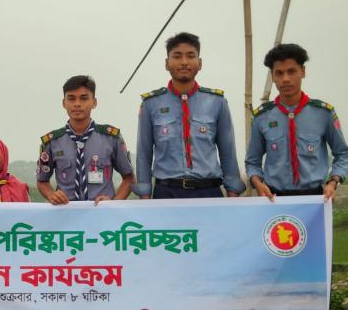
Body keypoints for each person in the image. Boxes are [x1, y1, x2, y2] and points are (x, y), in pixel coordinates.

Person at [135, 32, 245, 199]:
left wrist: (233, 192)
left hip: (209, 192)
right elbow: (144, 153)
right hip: (166, 193)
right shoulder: (151, 104)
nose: (184, 62)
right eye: (177, 56)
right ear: (167, 63)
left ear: (200, 63)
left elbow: (227, 151)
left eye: (190, 56)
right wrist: (144, 194)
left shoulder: (217, 102)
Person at [245, 43, 348, 201]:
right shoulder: (262, 117)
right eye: (279, 73)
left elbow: (342, 154)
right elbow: (252, 161)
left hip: (315, 200)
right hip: (274, 200)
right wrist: (257, 182)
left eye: (291, 71)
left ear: (303, 71)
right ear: (272, 76)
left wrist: (333, 181)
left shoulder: (323, 113)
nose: (285, 79)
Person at [36, 75, 134, 205]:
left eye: (84, 98)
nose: (77, 104)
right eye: (71, 98)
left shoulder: (111, 138)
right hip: (66, 212)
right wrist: (52, 195)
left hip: (101, 213)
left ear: (94, 102)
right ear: (64, 103)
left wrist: (113, 203)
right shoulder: (52, 142)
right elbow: (42, 181)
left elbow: (129, 178)